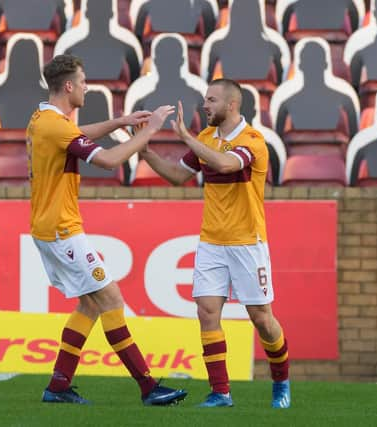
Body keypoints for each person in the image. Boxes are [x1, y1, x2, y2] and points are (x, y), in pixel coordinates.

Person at [27, 53, 186, 406]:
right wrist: (149, 130)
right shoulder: (54, 125)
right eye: (83, 82)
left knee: (90, 305)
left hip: (51, 226)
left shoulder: (43, 119)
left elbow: (77, 134)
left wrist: (120, 122)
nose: (86, 87)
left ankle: (58, 386)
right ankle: (148, 387)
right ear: (68, 86)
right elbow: (110, 160)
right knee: (111, 299)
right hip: (61, 229)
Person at [140, 78, 291, 409]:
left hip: (247, 242)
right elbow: (179, 175)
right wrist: (145, 152)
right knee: (207, 312)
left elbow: (224, 163)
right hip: (212, 241)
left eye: (211, 100)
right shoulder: (207, 139)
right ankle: (221, 392)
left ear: (231, 105)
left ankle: (281, 381)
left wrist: (185, 137)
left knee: (261, 319)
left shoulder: (253, 141)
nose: (204, 105)